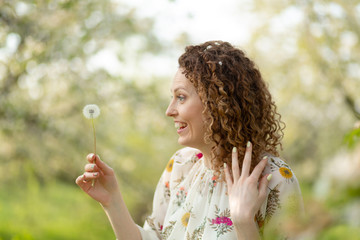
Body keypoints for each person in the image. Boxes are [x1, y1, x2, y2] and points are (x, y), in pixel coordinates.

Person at [76, 41, 303, 240]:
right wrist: (112, 201)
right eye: (172, 98)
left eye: (181, 97)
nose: (169, 110)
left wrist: (244, 223)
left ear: (218, 103)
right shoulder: (180, 166)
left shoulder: (274, 178)